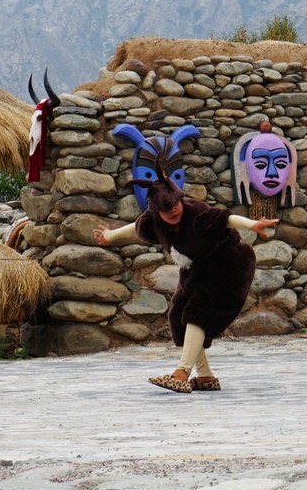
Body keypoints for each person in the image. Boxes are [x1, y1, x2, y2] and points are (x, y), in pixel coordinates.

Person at [97, 169, 277, 394]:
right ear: (156, 210)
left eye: (174, 204)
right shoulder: (155, 221)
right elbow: (135, 229)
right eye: (165, 208)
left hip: (229, 265)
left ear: (180, 199)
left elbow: (227, 219)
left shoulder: (198, 214)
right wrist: (109, 236)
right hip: (197, 267)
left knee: (198, 313)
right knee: (179, 315)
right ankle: (205, 377)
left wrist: (253, 225)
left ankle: (181, 374)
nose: (172, 211)